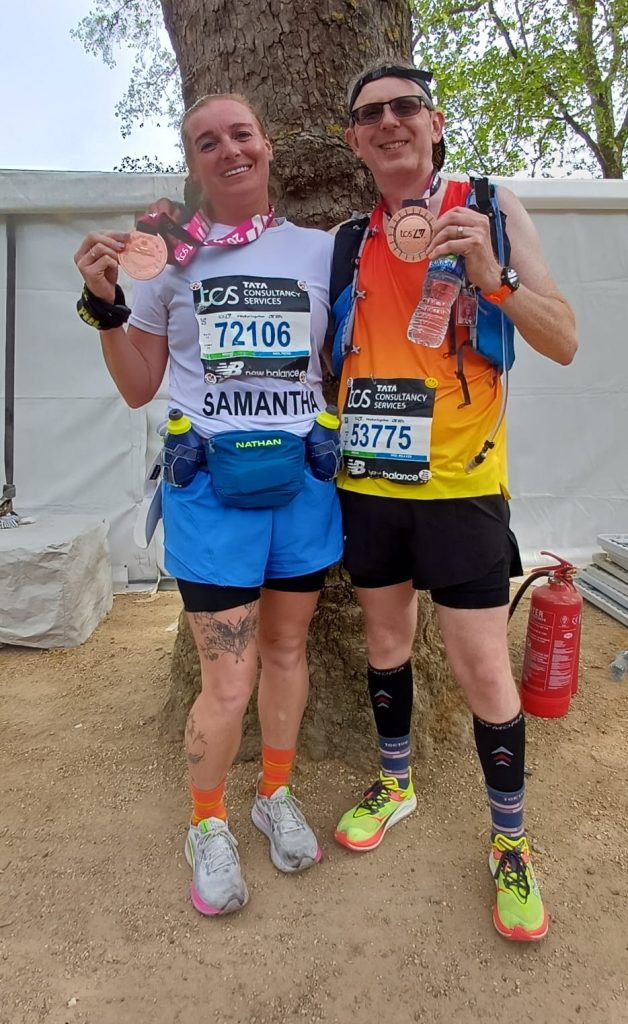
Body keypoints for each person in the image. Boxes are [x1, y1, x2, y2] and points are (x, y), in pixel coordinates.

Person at [73, 93, 343, 918]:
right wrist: (104, 303)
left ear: (267, 146)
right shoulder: (167, 261)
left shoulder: (322, 251)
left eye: (241, 134)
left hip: (302, 486)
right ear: (191, 164)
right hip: (211, 494)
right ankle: (208, 823)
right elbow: (138, 387)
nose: (229, 150)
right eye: (207, 142)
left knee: (287, 653)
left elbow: (345, 359)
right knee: (228, 677)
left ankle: (274, 794)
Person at [329, 60, 577, 942]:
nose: (389, 122)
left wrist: (492, 276)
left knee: (481, 669)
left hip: (463, 485)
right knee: (386, 644)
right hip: (369, 483)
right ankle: (396, 783)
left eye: (406, 107)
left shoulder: (491, 206)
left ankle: (510, 842)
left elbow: (565, 340)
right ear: (355, 140)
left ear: (434, 123)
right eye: (371, 114)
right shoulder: (347, 239)